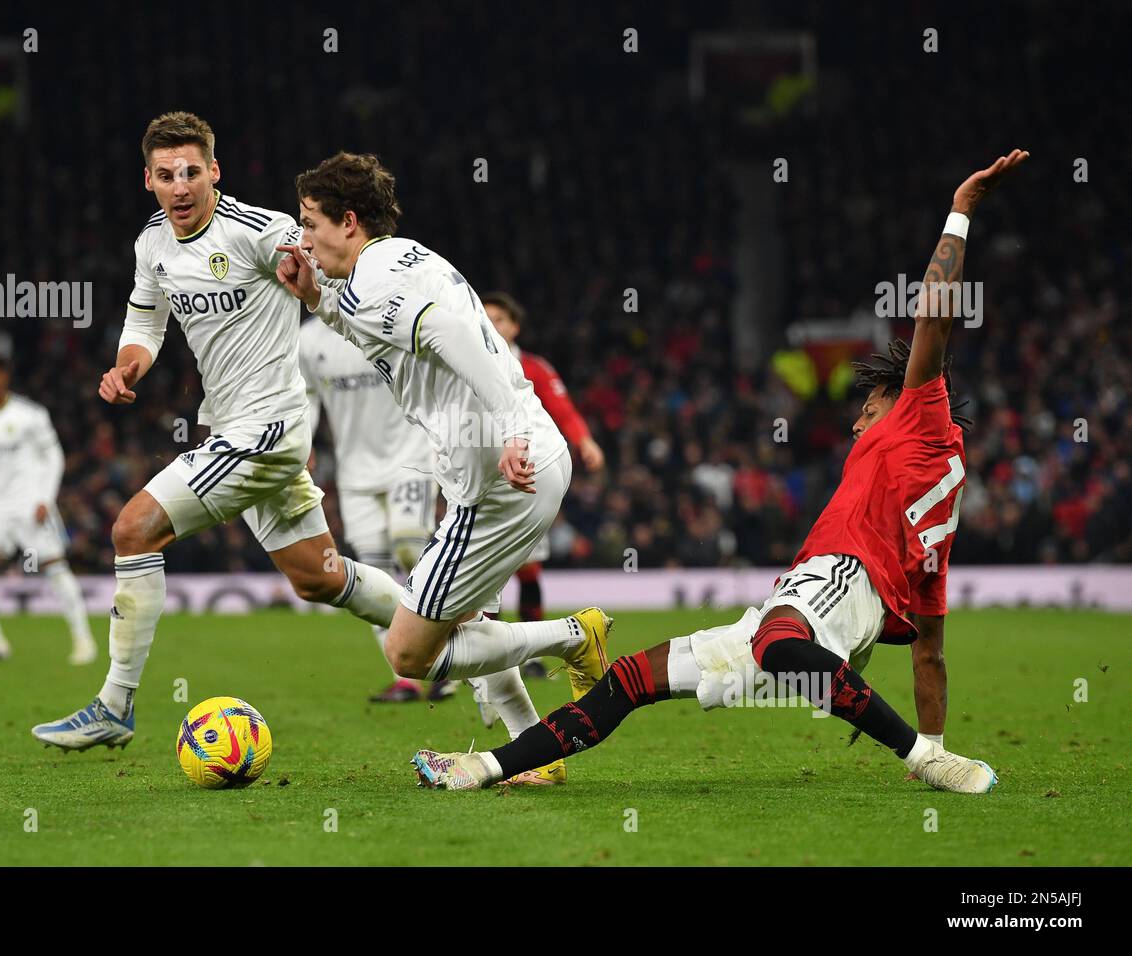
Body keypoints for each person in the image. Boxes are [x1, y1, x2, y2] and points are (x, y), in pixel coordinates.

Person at [412, 149, 1029, 794]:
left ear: (902, 401)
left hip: (841, 583)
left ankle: (920, 759)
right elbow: (929, 650)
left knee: (781, 645)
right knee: (631, 678)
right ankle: (482, 769)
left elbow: (933, 313)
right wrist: (936, 737)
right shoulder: (937, 515)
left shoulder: (921, 415)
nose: (855, 425)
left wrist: (959, 213)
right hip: (809, 603)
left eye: (867, 410)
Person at [31, 114, 406, 751]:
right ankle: (450, 626)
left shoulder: (260, 232)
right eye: (167, 175)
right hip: (234, 426)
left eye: (193, 172)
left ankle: (114, 705)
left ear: (215, 173)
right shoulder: (152, 244)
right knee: (319, 577)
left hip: (266, 431)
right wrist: (129, 365)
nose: (181, 187)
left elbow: (332, 266)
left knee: (131, 529)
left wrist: (314, 283)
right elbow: (146, 322)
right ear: (147, 179)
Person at [275, 151, 611, 785]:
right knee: (471, 618)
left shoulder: (376, 279)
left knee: (407, 652)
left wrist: (508, 427)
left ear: (349, 221)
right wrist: (318, 300)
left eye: (310, 220)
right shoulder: (402, 259)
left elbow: (453, 333)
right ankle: (535, 754)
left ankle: (573, 635)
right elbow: (380, 327)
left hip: (499, 477)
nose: (303, 235)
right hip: (522, 460)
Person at [297, 314, 455, 703]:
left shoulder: (380, 319)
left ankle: (458, 646)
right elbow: (306, 397)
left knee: (408, 546)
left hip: (411, 459)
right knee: (374, 571)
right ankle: (406, 677)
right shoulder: (305, 341)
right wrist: (302, 444)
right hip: (355, 474)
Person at [482, 291, 605, 680]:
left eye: (499, 319)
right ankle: (493, 655)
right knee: (488, 572)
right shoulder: (469, 360)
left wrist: (584, 440)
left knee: (528, 569)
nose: (492, 326)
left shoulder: (532, 367)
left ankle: (527, 655)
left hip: (528, 481)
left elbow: (561, 407)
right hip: (484, 480)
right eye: (486, 319)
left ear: (515, 327)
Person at [0, 355, 96, 667]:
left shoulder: (30, 415)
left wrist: (46, 497)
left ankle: (83, 640)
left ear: (5, 377)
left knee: (55, 566)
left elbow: (54, 456)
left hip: (30, 502)